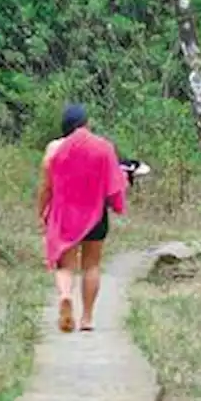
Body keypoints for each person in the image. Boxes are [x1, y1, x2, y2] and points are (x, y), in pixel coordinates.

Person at [37, 104, 128, 333]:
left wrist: (42, 211)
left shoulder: (54, 148)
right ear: (85, 124)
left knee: (65, 265)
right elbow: (114, 183)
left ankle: (66, 295)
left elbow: (46, 187)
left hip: (65, 214)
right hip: (96, 214)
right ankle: (87, 318)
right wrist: (117, 205)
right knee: (92, 265)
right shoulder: (103, 147)